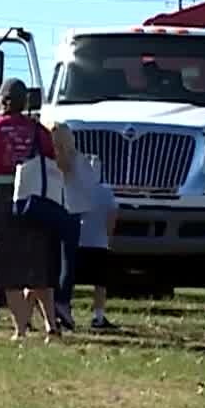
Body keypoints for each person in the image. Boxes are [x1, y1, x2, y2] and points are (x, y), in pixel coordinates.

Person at [0, 78, 63, 340]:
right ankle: (51, 326)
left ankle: (20, 329)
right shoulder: (38, 131)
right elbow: (50, 163)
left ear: (1, 99)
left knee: (6, 268)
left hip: (0, 199)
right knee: (36, 264)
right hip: (32, 199)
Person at [48, 123, 96, 331]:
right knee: (68, 261)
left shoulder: (48, 160)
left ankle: (45, 306)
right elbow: (90, 185)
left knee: (49, 260)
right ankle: (63, 302)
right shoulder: (79, 160)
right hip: (72, 212)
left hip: (50, 210)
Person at [77, 171, 120, 330]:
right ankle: (98, 316)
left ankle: (62, 313)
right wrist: (109, 237)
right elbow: (113, 215)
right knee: (100, 283)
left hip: (78, 242)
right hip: (99, 242)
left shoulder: (77, 189)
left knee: (68, 280)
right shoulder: (106, 191)